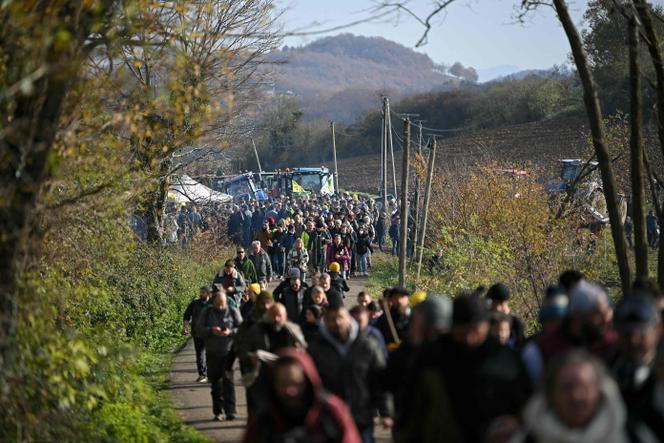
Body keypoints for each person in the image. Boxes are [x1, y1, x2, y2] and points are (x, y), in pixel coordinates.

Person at [308, 305, 393, 443]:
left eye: (340, 318)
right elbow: (310, 381)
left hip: (361, 416)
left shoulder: (367, 345)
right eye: (331, 319)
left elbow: (381, 379)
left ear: (348, 319)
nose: (337, 322)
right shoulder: (316, 348)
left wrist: (386, 412)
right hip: (328, 418)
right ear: (325, 321)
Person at [512, 351, 638, 443]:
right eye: (567, 387)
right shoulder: (528, 438)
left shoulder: (632, 436)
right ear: (551, 394)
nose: (576, 396)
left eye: (585, 387)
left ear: (599, 392)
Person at [243, 349, 362, 443]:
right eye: (283, 383)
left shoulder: (332, 412)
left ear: (309, 381)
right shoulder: (263, 419)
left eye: (296, 383)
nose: (290, 390)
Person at [523, 280, 617, 384]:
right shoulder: (540, 352)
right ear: (578, 316)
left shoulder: (614, 344)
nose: (606, 321)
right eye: (598, 314)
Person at [239, 303, 307, 414]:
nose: (276, 319)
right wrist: (251, 356)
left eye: (279, 315)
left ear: (285, 316)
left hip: (287, 375)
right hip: (264, 374)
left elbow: (304, 350)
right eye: (273, 315)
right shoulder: (256, 330)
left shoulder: (292, 330)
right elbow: (243, 351)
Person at [196, 290, 243, 421]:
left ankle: (230, 411)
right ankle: (218, 412)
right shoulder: (207, 312)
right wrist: (211, 330)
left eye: (223, 305)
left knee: (228, 382)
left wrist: (230, 332)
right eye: (218, 305)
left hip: (228, 354)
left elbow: (242, 329)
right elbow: (199, 330)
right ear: (214, 302)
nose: (221, 307)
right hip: (212, 353)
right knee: (215, 384)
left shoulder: (233, 311)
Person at [183, 285, 212, 382]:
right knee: (199, 354)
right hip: (197, 333)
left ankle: (211, 374)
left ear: (208, 294)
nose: (200, 294)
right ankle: (202, 374)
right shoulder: (194, 303)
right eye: (200, 292)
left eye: (203, 292)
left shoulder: (212, 304)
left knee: (210, 354)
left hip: (209, 333)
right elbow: (186, 315)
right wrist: (185, 327)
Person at [486, 283, 526, 349]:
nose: (498, 308)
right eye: (494, 304)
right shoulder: (485, 321)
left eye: (501, 304)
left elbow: (521, 345)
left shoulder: (515, 323)